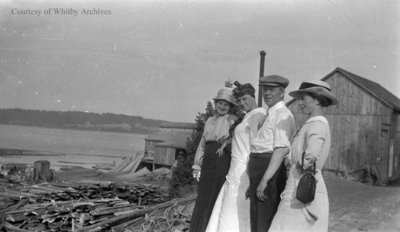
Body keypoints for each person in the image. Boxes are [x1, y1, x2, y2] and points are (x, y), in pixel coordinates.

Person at [269, 80, 338, 232]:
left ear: (318, 100)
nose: (299, 103)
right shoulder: (310, 123)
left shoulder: (318, 124)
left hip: (302, 187)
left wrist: (294, 161)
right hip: (297, 184)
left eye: (304, 98)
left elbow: (311, 156)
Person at [206, 81, 266, 232]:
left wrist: (253, 176)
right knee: (226, 210)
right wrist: (226, 143)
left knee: (234, 211)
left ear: (253, 97)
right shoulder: (248, 116)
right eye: (239, 101)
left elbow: (256, 147)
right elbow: (239, 138)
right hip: (234, 168)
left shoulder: (258, 115)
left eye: (245, 99)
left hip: (244, 169)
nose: (242, 103)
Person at [248, 75, 296, 232]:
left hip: (270, 169)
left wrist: (264, 180)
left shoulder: (282, 114)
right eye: (265, 90)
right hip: (260, 169)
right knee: (257, 217)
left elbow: (280, 150)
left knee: (265, 219)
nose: (267, 93)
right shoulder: (269, 114)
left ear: (282, 92)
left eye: (272, 90)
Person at [190, 87, 237, 232]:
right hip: (208, 160)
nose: (222, 107)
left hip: (222, 159)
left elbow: (235, 141)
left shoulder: (232, 120)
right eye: (220, 103)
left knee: (215, 195)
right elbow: (202, 144)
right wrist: (197, 165)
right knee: (203, 196)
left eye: (226, 104)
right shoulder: (209, 120)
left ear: (230, 107)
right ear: (215, 104)